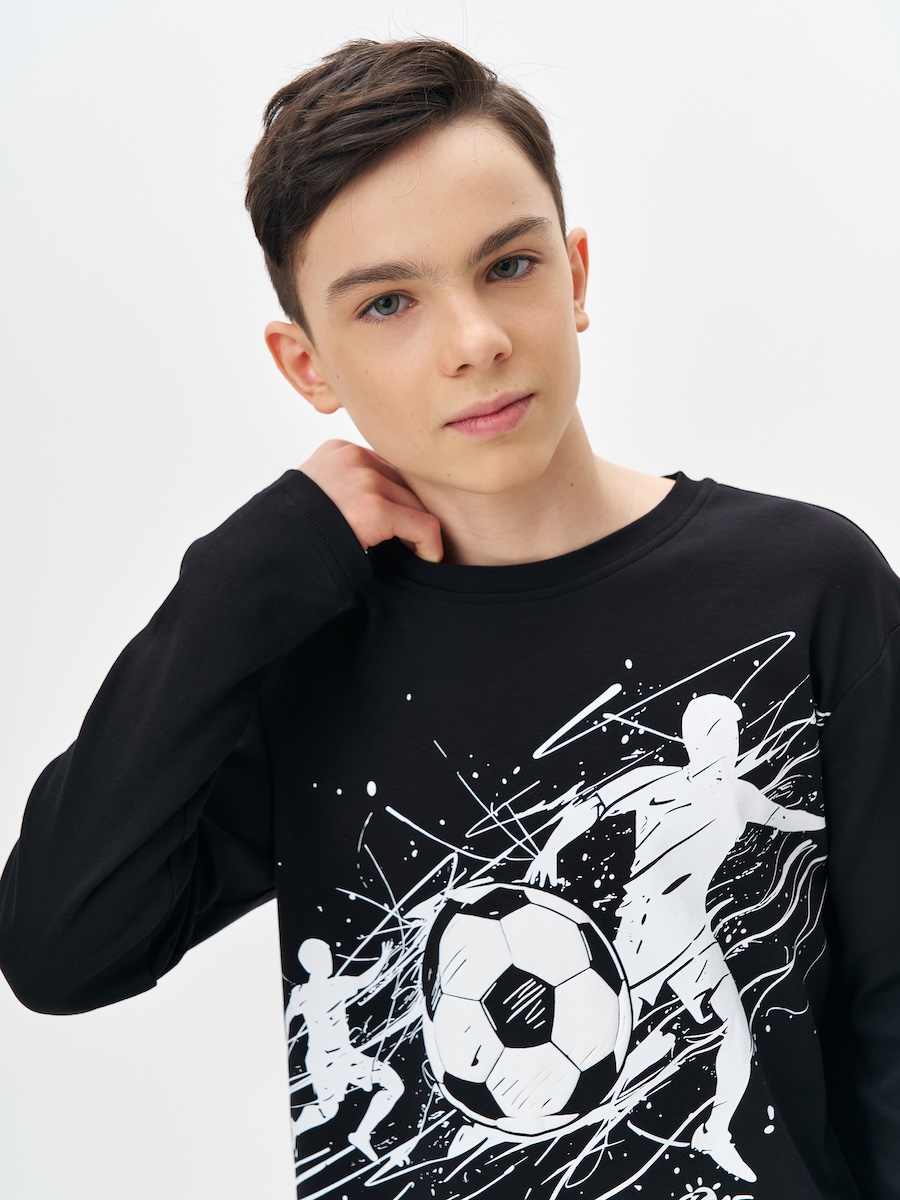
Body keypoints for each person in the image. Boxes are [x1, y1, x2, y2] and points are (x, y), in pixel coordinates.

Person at [0, 35, 897, 1200]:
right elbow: (61, 949)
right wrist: (241, 576)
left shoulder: (804, 586)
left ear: (577, 273)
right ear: (305, 365)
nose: (475, 340)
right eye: (387, 303)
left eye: (508, 265)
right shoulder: (301, 653)